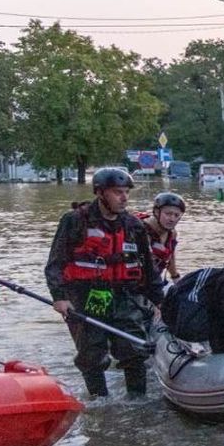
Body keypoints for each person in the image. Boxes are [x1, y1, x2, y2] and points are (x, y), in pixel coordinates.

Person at [44, 167, 162, 397]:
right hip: (87, 296)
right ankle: (100, 403)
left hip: (124, 296)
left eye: (126, 192)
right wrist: (59, 297)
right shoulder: (75, 221)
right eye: (118, 192)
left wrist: (160, 301)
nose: (124, 198)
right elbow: (55, 263)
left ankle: (137, 403)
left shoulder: (133, 226)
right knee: (92, 353)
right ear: (100, 193)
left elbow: (148, 269)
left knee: (134, 351)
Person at [141, 192, 185, 283]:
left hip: (154, 281)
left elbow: (170, 258)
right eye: (168, 214)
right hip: (136, 282)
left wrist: (176, 279)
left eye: (176, 215)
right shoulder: (142, 230)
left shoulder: (172, 233)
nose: (172, 219)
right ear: (157, 212)